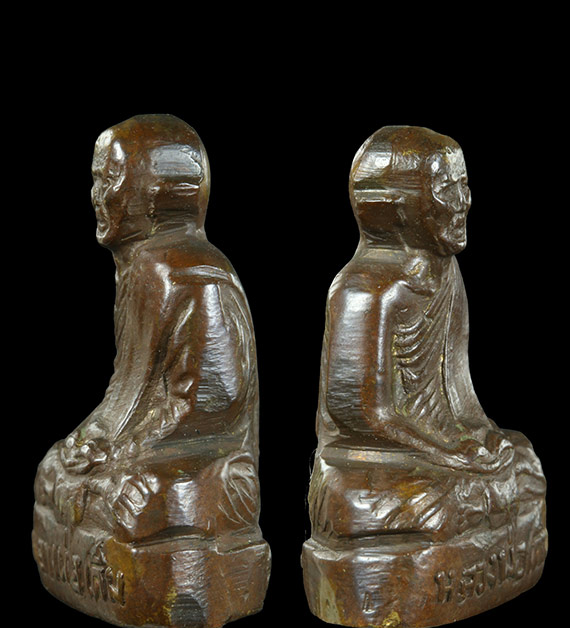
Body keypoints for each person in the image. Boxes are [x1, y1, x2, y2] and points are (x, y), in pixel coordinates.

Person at [309, 125, 544, 542]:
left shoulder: (447, 273)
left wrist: (481, 436)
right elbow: (361, 414)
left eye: (464, 185)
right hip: (378, 459)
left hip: (436, 448)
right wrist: (446, 450)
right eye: (445, 189)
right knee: (376, 501)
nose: (463, 201)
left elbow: (458, 390)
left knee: (523, 462)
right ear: (397, 208)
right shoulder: (365, 290)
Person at [34, 115, 262, 544]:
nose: (97, 196)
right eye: (95, 180)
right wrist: (95, 438)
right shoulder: (138, 269)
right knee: (53, 470)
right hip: (146, 444)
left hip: (198, 454)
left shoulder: (193, 274)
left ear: (155, 193)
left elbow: (212, 405)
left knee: (143, 499)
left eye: (110, 180)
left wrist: (126, 448)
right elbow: (126, 389)